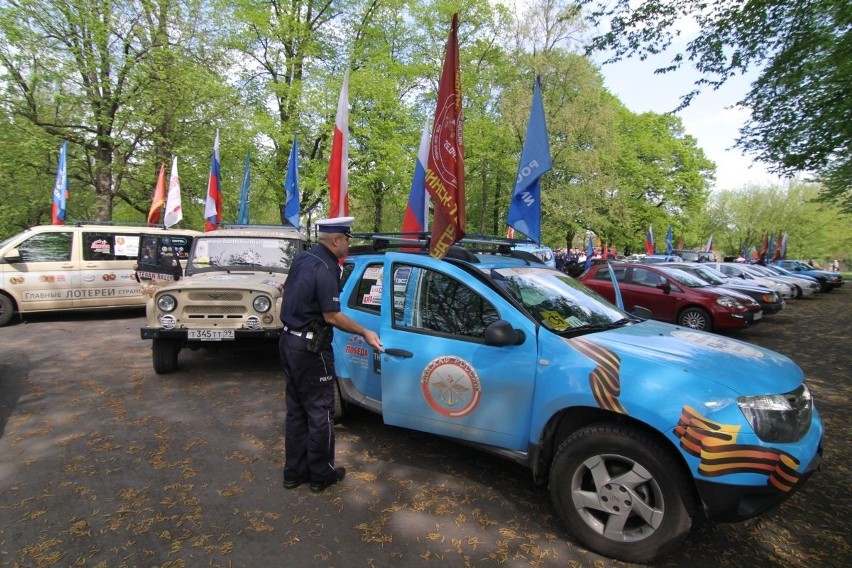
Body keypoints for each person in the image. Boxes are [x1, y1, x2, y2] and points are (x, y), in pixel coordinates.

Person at [278, 216, 383, 493]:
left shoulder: (303, 259)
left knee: (297, 411)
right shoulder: (326, 267)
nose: (348, 243)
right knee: (320, 412)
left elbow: (287, 290)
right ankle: (321, 475)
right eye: (347, 239)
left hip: (289, 341)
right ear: (336, 240)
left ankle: (294, 473)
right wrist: (365, 332)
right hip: (311, 350)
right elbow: (332, 315)